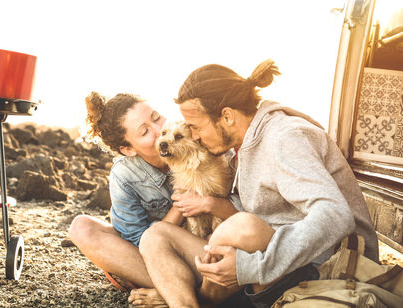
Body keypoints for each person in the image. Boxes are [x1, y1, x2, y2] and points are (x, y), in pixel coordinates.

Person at [133, 60, 379, 308]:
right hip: (273, 264)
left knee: (243, 226)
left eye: (196, 127)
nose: (195, 136)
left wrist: (251, 267)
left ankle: (202, 299)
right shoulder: (243, 146)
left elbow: (336, 215)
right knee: (154, 236)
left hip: (323, 269)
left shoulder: (284, 137)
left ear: (227, 116)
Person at [67, 92, 237, 292]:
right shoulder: (125, 175)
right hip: (159, 253)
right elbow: (139, 243)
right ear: (128, 150)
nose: (159, 131)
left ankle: (172, 292)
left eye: (156, 117)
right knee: (81, 227)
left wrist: (206, 200)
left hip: (209, 245)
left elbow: (241, 211)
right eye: (144, 132)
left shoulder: (199, 143)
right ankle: (177, 289)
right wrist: (181, 205)